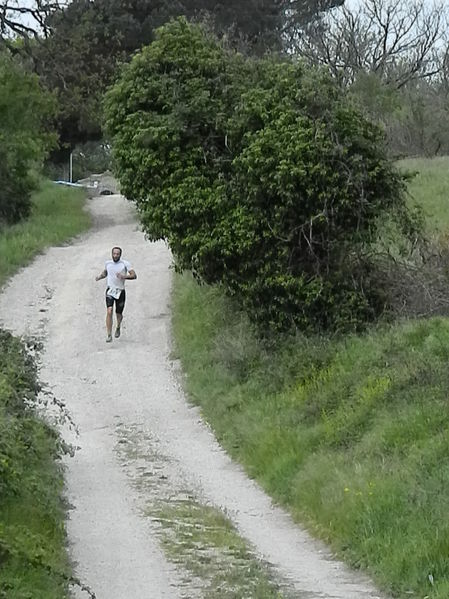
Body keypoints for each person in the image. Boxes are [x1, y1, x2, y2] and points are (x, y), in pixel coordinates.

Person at [95, 246, 137, 342]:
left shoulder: (125, 264)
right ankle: (109, 335)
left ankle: (118, 326)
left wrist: (124, 276)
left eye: (117, 254)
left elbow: (134, 275)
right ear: (112, 254)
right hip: (110, 290)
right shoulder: (108, 263)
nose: (115, 255)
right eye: (114, 254)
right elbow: (106, 273)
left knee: (119, 314)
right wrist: (99, 277)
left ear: (120, 255)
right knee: (109, 310)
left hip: (120, 291)